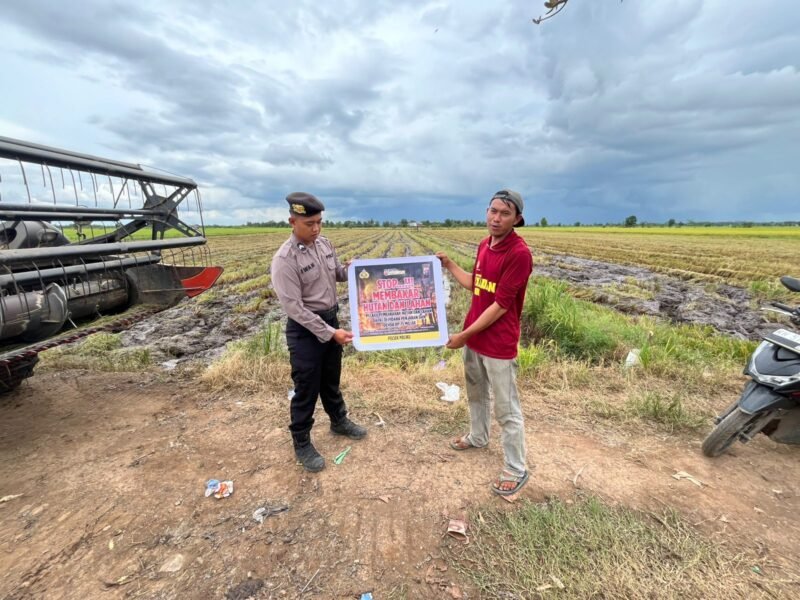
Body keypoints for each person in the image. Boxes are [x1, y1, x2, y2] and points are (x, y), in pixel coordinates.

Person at [436, 189, 533, 496]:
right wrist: (450, 264)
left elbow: (500, 306)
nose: (496, 218)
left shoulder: (519, 254)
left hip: (498, 344)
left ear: (517, 219)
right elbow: (477, 285)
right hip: (474, 339)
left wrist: (463, 335)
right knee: (476, 394)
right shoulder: (484, 245)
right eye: (493, 211)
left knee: (506, 408)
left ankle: (516, 467)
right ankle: (478, 437)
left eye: (505, 214)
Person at [271, 192, 366, 472]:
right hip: (305, 331)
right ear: (292, 221)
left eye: (319, 223)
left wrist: (354, 269)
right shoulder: (284, 260)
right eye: (309, 223)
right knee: (306, 388)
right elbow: (295, 308)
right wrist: (329, 332)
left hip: (330, 321)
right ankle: (301, 441)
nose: (316, 229)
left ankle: (339, 421)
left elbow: (336, 272)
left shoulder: (324, 244)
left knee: (331, 380)